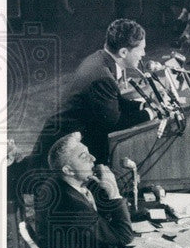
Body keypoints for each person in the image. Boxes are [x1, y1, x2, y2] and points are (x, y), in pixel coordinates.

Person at [26, 19, 152, 172]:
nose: (143, 54)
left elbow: (113, 101)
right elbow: (114, 123)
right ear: (123, 52)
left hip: (68, 137)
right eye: (141, 49)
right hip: (61, 151)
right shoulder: (102, 76)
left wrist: (143, 105)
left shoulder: (100, 59)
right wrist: (150, 113)